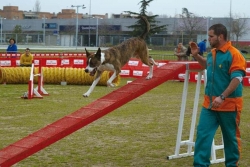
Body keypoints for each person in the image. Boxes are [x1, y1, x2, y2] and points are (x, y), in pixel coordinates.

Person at [191, 24, 246, 167]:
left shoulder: (235, 54)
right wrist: (196, 55)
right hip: (209, 106)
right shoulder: (212, 53)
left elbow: (237, 78)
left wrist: (222, 96)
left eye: (211, 36)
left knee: (230, 139)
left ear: (220, 36)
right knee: (202, 135)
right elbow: (207, 65)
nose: (208, 39)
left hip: (228, 105)